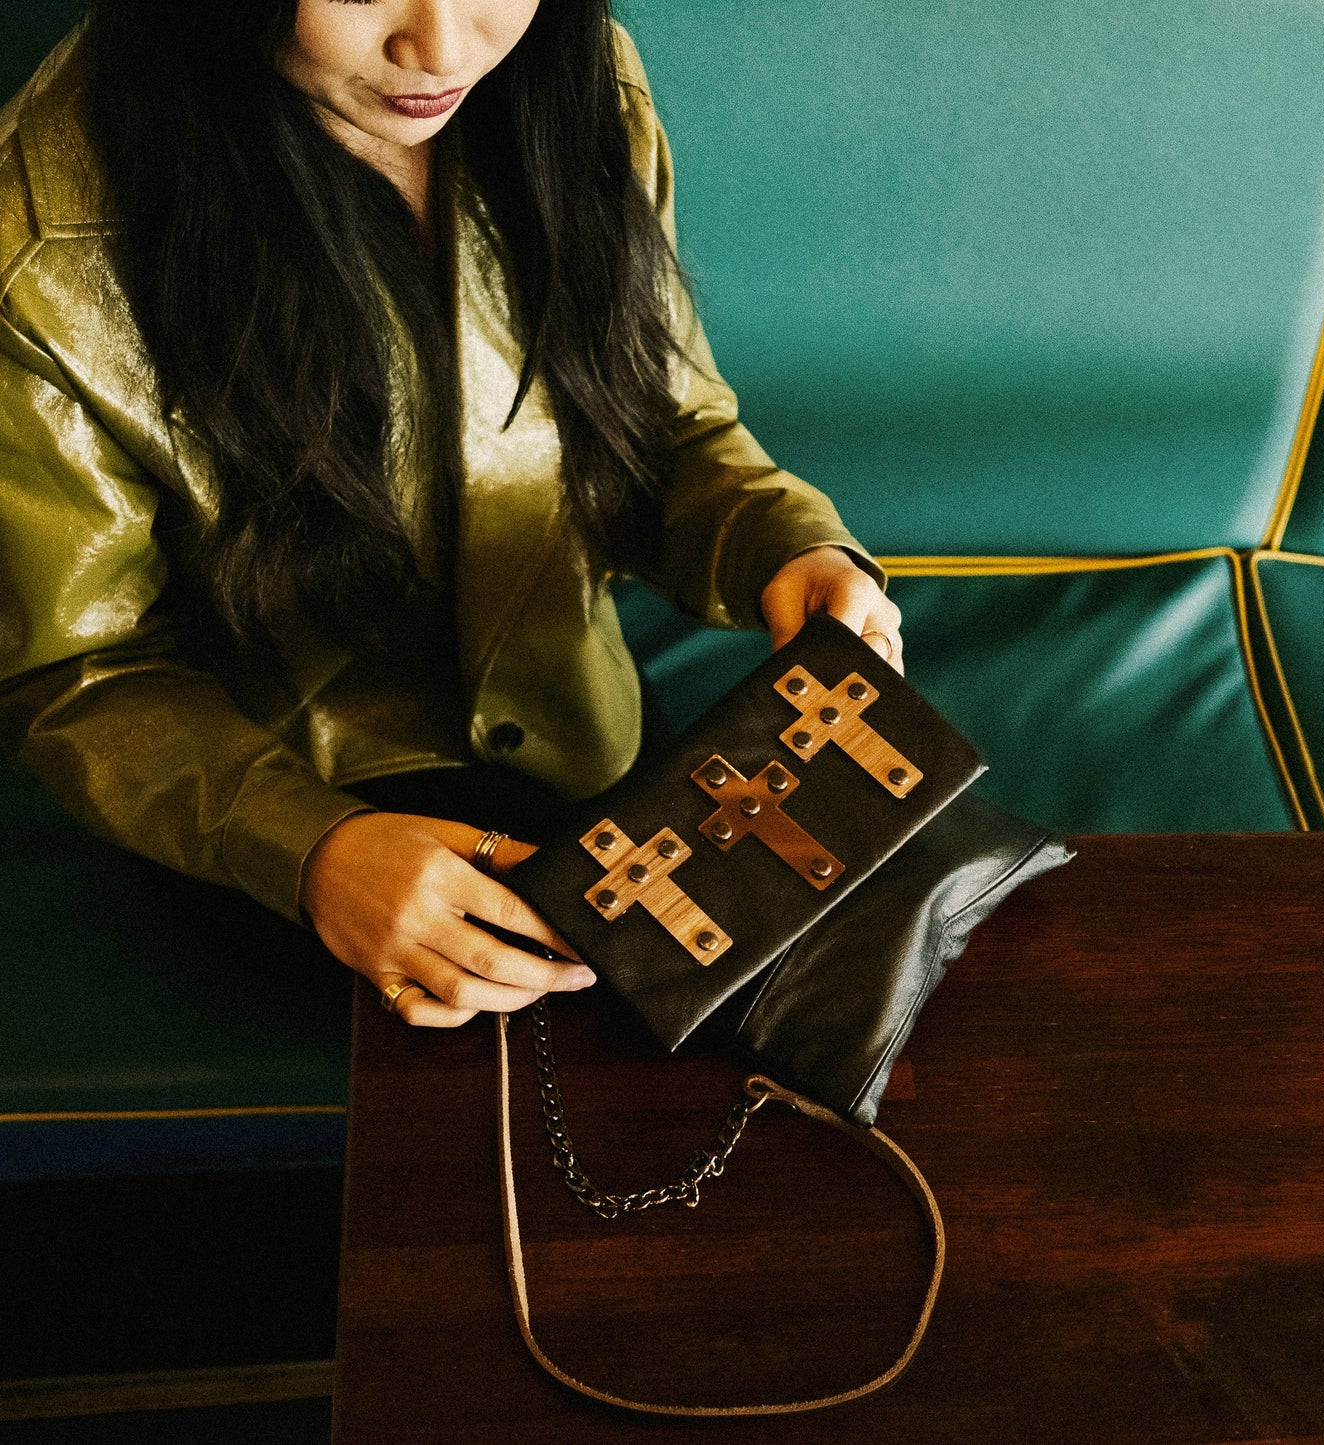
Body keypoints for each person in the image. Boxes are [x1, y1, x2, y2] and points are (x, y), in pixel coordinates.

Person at [0, 0, 903, 1029]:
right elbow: (73, 669)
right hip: (273, 813)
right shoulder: (39, 245)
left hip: (584, 744)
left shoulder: (576, 72)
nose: (439, 47)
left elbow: (661, 425)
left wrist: (787, 547)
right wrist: (309, 848)